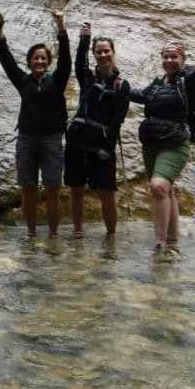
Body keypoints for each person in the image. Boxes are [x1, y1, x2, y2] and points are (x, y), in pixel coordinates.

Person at [130, 18, 195, 254]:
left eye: (174, 57)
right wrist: (115, 84)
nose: (169, 60)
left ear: (182, 60)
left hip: (176, 142)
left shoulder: (189, 81)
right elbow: (139, 96)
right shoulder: (156, 84)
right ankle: (172, 240)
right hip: (151, 143)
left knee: (158, 186)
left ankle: (159, 243)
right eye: (166, 56)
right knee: (166, 190)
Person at [0, 10, 70, 238]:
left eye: (44, 58)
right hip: (26, 139)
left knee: (53, 189)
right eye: (36, 58)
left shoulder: (57, 80)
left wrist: (61, 27)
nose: (40, 61)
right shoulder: (23, 81)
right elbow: (6, 59)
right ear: (29, 62)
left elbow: (66, 59)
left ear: (48, 62)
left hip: (52, 139)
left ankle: (54, 235)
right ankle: (32, 234)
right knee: (28, 189)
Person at [64, 23, 130, 238]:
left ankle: (111, 236)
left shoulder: (122, 85)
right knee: (76, 188)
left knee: (107, 192)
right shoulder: (88, 78)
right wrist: (84, 39)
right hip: (77, 142)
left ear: (113, 52)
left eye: (106, 51)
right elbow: (78, 63)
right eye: (98, 52)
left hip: (101, 145)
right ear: (94, 54)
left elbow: (117, 120)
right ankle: (77, 232)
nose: (103, 55)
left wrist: (108, 148)